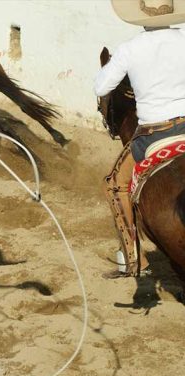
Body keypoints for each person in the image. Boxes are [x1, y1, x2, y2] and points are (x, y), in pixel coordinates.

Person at [94, 0, 185, 276]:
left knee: (115, 184)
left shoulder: (130, 49)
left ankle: (133, 259)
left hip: (153, 135)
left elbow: (101, 86)